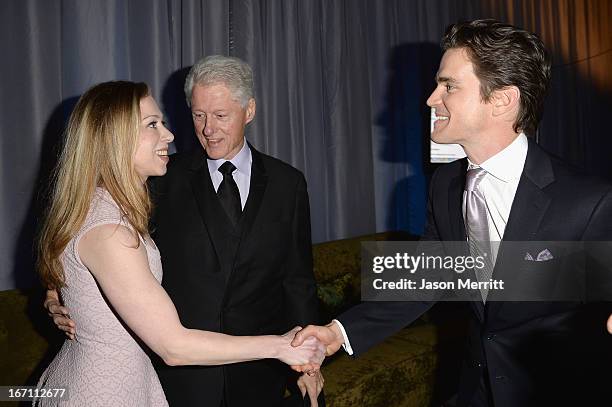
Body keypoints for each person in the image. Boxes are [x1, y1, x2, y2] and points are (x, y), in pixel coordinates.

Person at [292, 19, 612, 406]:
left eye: (449, 86)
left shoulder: (588, 201)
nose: (431, 98)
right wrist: (336, 333)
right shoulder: (444, 184)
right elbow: (427, 279)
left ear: (502, 100)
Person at [46, 56, 324, 406]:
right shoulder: (155, 179)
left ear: (248, 111)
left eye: (221, 115)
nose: (208, 129)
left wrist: (308, 364)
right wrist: (58, 296)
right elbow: (82, 249)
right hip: (179, 378)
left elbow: (298, 280)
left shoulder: (289, 183)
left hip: (258, 375)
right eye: (198, 115)